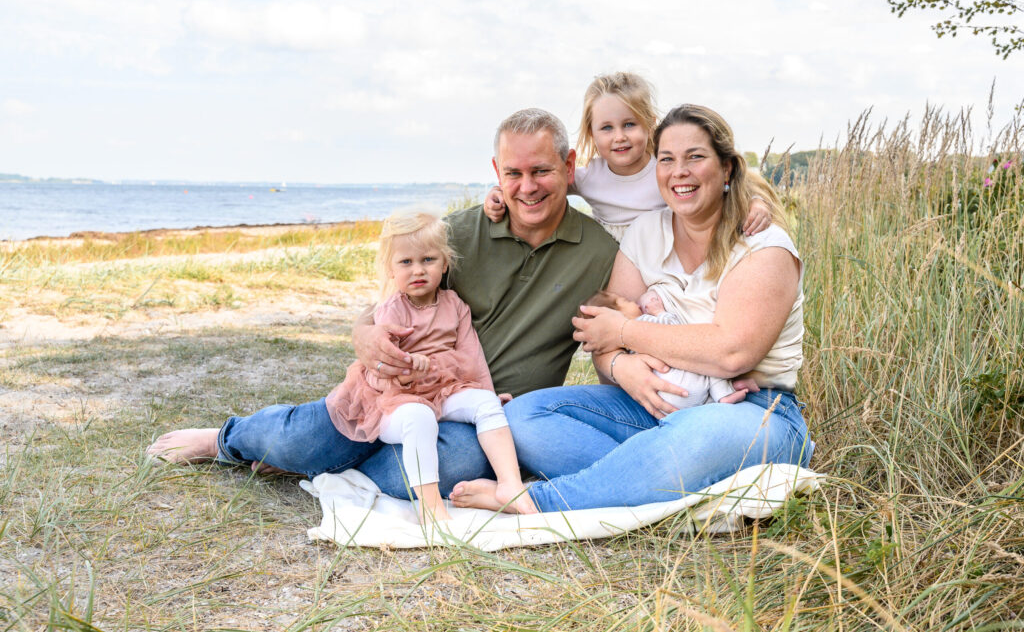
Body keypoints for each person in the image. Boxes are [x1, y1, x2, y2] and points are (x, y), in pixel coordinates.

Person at [147, 108, 619, 503]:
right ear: (496, 172)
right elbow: (386, 304)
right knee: (314, 433)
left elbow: (622, 318)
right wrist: (363, 332)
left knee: (435, 470)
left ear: (569, 165)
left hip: (485, 411)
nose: (527, 187)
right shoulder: (454, 235)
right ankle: (229, 439)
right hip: (402, 390)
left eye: (541, 171)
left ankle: (306, 463)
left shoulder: (600, 251)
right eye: (513, 173)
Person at [450, 103, 814, 514]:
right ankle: (654, 476)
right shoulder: (645, 233)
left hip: (751, 410)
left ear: (727, 168)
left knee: (694, 434)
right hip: (649, 407)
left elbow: (730, 351)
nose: (680, 172)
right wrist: (623, 369)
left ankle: (538, 501)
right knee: (522, 417)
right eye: (667, 160)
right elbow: (600, 341)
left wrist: (625, 335)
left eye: (695, 157)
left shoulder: (765, 248)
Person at [324, 208, 533, 521]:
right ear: (391, 270)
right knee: (419, 418)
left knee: (486, 403)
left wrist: (488, 393)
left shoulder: (454, 305)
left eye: (428, 260)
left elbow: (473, 358)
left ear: (444, 262)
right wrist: (408, 368)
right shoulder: (392, 310)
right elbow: (379, 373)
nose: (417, 270)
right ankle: (430, 505)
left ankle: (510, 484)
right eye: (406, 262)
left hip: (445, 391)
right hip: (396, 401)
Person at [483, 72, 774, 241]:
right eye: (607, 128)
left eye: (630, 124)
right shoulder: (588, 177)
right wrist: (498, 195)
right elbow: (537, 187)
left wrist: (756, 201)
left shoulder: (664, 170)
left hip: (664, 256)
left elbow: (729, 181)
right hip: (611, 262)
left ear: (649, 124)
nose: (619, 137)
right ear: (592, 134)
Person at [581, 289, 737, 409]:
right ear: (616, 315)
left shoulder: (621, 347)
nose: (635, 303)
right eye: (626, 301)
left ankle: (720, 394)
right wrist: (659, 312)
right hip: (686, 388)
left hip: (663, 402)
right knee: (706, 359)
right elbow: (675, 331)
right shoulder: (642, 323)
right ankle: (724, 394)